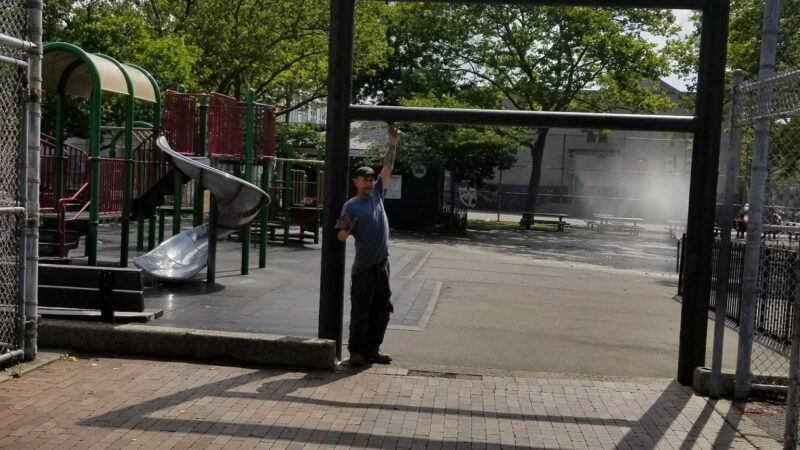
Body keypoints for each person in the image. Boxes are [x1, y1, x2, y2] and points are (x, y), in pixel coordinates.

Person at [336, 126, 399, 367]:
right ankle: (356, 351)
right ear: (356, 182)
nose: (370, 182)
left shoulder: (377, 196)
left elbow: (388, 168)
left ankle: (373, 349)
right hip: (364, 267)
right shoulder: (350, 207)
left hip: (382, 264)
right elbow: (340, 237)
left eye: (372, 179)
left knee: (382, 308)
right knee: (361, 310)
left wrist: (392, 143)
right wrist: (347, 230)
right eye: (365, 179)